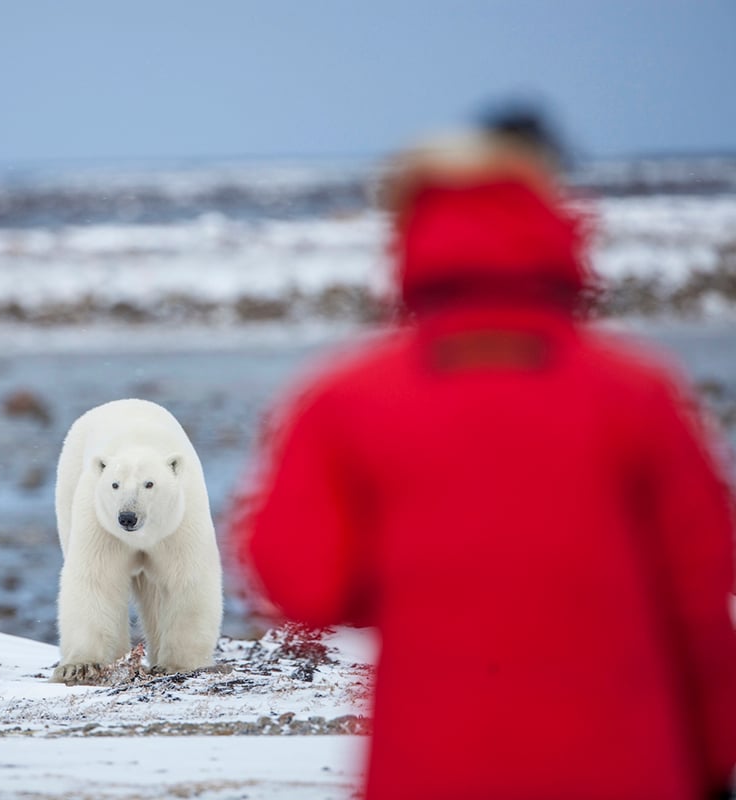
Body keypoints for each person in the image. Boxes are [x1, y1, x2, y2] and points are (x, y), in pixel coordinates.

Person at [240, 120, 736, 799]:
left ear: (411, 231)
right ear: (549, 219)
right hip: (626, 768)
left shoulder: (348, 399)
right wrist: (713, 760)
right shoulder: (637, 392)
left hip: (433, 768)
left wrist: (414, 585)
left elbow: (300, 582)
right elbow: (703, 600)